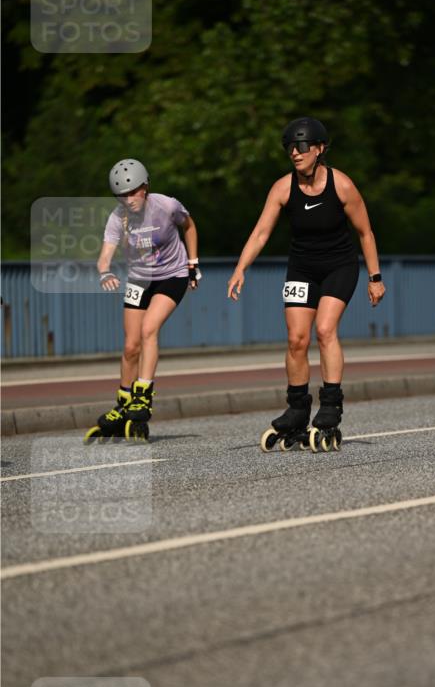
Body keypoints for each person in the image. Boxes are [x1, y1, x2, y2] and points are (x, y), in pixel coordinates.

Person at [227, 117, 384, 451]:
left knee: (325, 330)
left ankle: (330, 406)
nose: (295, 154)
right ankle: (298, 409)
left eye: (301, 147)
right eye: (290, 148)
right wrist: (241, 268)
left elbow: (365, 233)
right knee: (297, 339)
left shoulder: (341, 185)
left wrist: (375, 278)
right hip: (302, 268)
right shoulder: (283, 188)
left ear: (319, 149)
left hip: (339, 266)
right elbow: (261, 232)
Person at [85, 159, 202, 441]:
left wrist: (193, 263)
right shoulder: (117, 218)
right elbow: (104, 257)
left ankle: (143, 395)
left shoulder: (166, 206)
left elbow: (189, 226)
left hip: (172, 275)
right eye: (121, 195)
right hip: (139, 279)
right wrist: (104, 273)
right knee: (130, 345)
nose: (128, 200)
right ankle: (124, 403)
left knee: (150, 328)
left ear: (145, 187)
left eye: (133, 192)